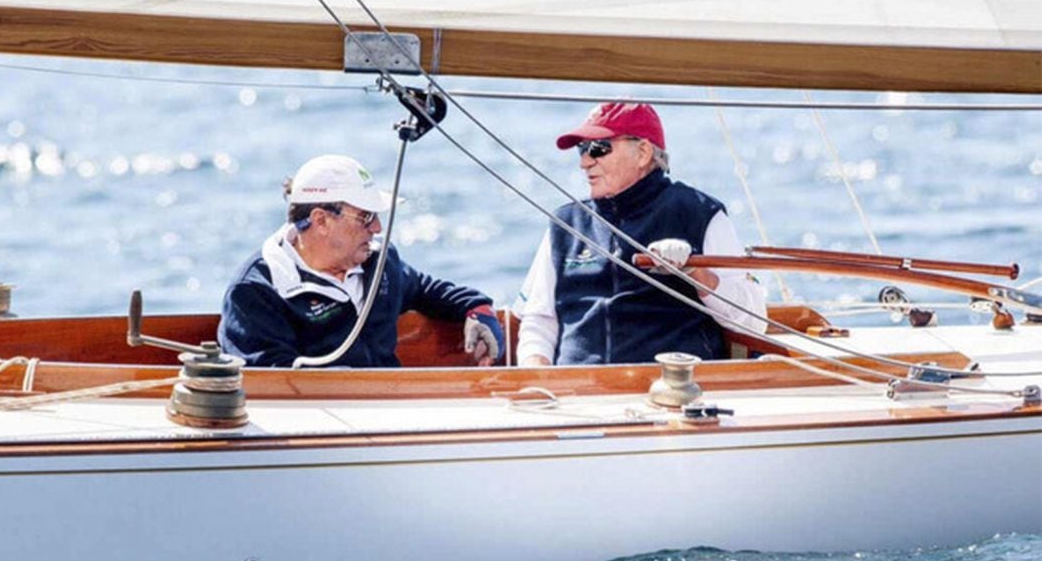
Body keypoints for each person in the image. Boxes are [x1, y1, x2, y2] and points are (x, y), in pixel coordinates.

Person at [516, 102, 766, 366]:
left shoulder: (700, 213)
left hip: (674, 390)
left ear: (643, 152)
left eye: (598, 148)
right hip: (575, 392)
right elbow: (538, 319)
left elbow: (754, 320)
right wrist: (537, 376)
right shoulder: (565, 223)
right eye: (582, 150)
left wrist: (696, 273)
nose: (584, 162)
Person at [218, 154, 504, 368]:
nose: (377, 228)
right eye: (366, 217)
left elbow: (427, 290)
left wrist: (477, 309)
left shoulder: (380, 262)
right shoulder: (255, 292)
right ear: (321, 220)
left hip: (391, 420)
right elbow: (275, 383)